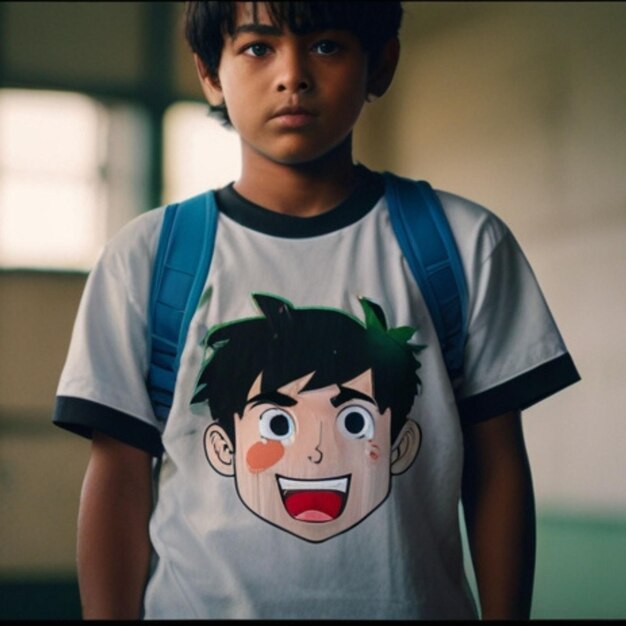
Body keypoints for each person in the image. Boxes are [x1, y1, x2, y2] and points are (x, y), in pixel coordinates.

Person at [53, 1, 580, 620]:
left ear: (381, 64)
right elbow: (119, 476)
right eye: (257, 47)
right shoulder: (145, 259)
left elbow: (495, 466)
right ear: (209, 72)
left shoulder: (465, 245)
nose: (292, 75)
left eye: (326, 45)